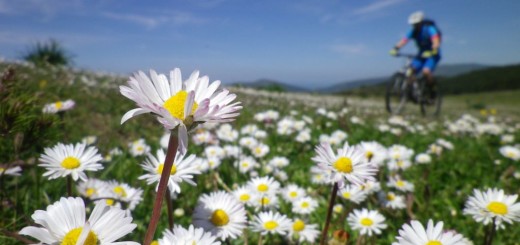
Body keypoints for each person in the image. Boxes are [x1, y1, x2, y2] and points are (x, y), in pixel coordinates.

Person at [389, 11, 441, 98]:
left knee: (426, 72)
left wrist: (434, 49)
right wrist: (396, 48)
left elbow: (436, 40)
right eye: (413, 24)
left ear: (421, 22)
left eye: (416, 24)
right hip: (421, 55)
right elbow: (404, 40)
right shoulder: (413, 31)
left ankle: (432, 91)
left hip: (432, 54)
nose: (414, 26)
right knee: (410, 71)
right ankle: (414, 92)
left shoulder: (430, 28)